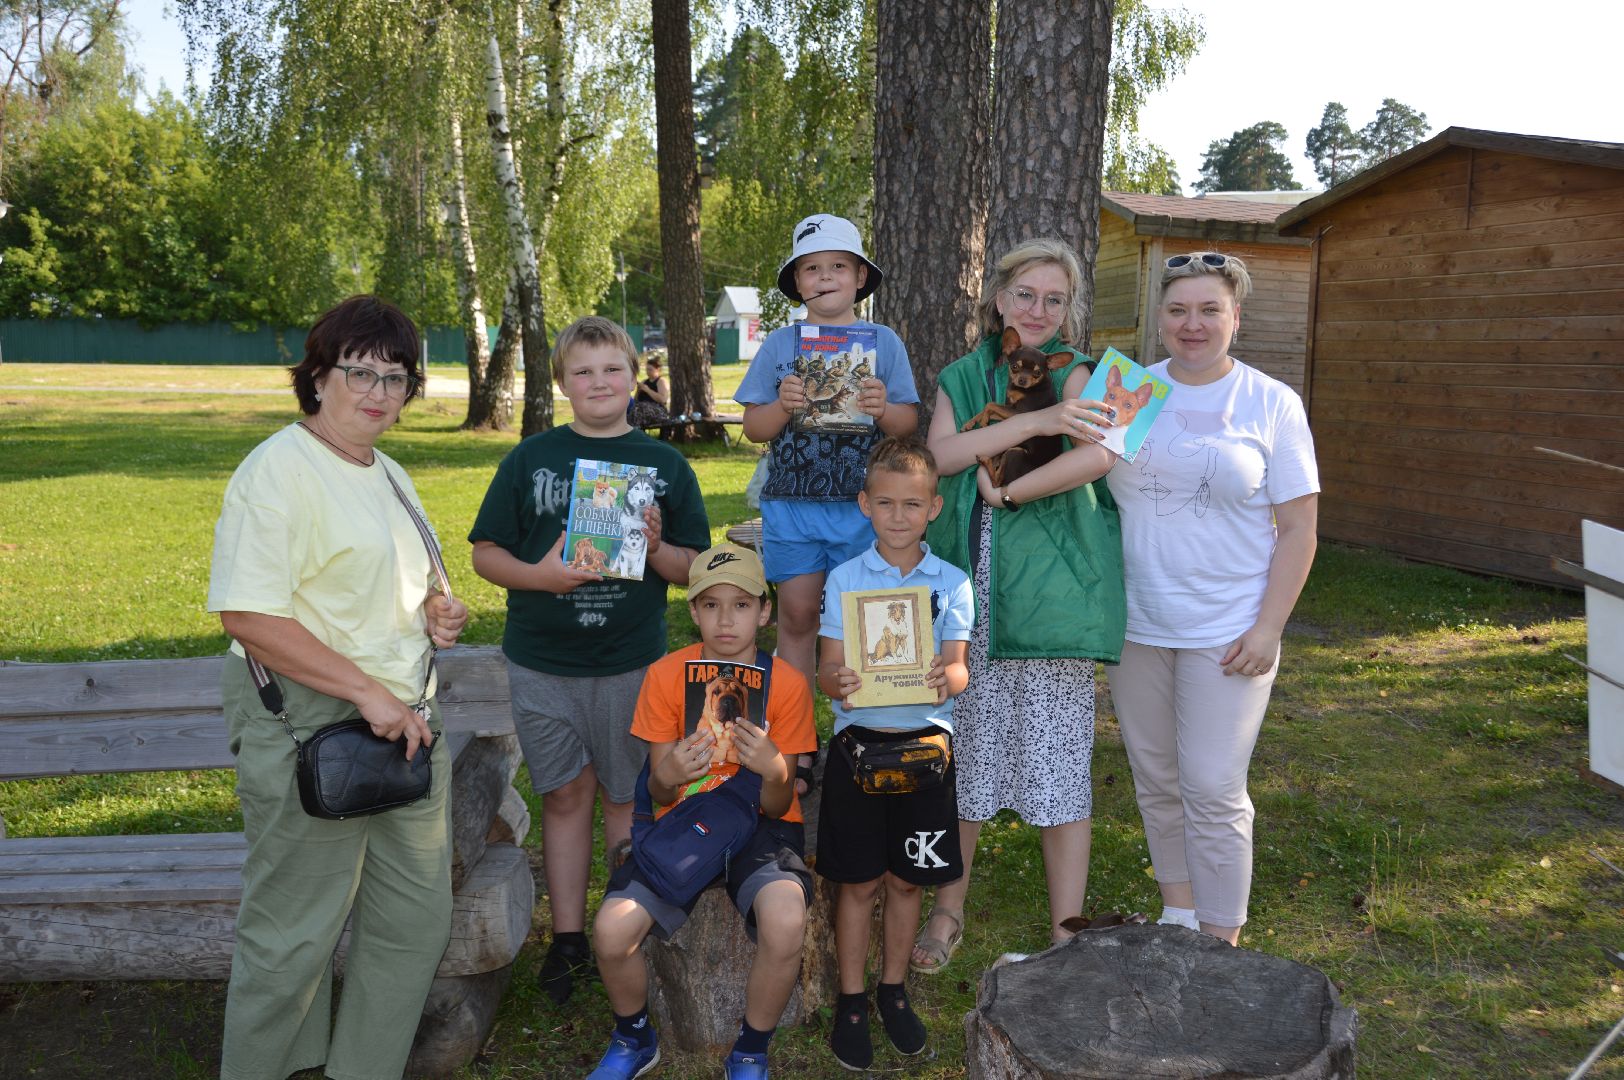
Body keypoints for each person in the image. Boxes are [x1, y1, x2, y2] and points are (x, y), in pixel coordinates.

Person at [208, 295, 471, 1080]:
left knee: (412, 928)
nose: (378, 393)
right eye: (360, 372)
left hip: (403, 721)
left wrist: (434, 609)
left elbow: (387, 585)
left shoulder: (387, 471)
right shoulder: (278, 472)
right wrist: (366, 692)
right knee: (293, 936)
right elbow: (250, 613)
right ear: (318, 376)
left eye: (397, 379)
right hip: (311, 718)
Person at [468, 316, 710, 1005]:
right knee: (565, 795)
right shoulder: (530, 458)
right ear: (562, 384)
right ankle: (568, 937)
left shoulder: (663, 464)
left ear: (634, 375)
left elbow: (692, 569)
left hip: (631, 660)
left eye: (612, 369)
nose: (599, 382)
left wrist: (659, 547)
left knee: (625, 797)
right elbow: (486, 552)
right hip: (543, 661)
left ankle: (621, 927)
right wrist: (542, 577)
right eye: (583, 371)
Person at [915, 238, 1124, 971]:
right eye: (1026, 295)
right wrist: (1031, 425)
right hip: (967, 581)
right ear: (999, 299)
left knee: (1059, 757)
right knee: (964, 751)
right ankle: (947, 911)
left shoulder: (1079, 372)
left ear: (1068, 311)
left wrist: (1007, 488)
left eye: (1054, 300)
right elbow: (937, 457)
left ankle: (1067, 929)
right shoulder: (964, 375)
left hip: (1051, 584)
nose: (1038, 311)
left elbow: (1098, 453)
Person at [1103, 251, 1319, 945]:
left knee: (1213, 787)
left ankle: (1222, 943)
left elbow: (1299, 530)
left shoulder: (1271, 402)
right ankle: (1179, 914)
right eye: (1177, 310)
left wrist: (1268, 629)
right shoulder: (1129, 388)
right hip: (1136, 622)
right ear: (1157, 318)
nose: (1192, 325)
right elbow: (1078, 476)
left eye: (1209, 310)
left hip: (1228, 628)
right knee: (1157, 778)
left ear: (1235, 318)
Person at [588, 542, 817, 1080]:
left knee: (785, 920)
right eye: (710, 605)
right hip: (683, 822)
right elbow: (661, 790)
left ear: (765, 611)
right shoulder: (668, 675)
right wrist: (674, 772)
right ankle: (635, 1037)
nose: (725, 620)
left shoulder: (785, 683)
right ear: (692, 611)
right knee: (611, 932)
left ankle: (750, 1050)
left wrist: (776, 769)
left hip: (761, 823)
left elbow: (781, 804)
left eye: (741, 605)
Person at [816, 437, 973, 1070]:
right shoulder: (845, 580)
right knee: (855, 882)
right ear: (865, 506)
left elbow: (959, 670)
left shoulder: (952, 583)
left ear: (935, 507)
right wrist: (841, 684)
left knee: (908, 881)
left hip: (925, 754)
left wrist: (946, 678)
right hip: (859, 748)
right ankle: (852, 999)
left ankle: (893, 989)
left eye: (913, 504)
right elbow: (828, 671)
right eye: (885, 503)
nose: (899, 516)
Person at [735, 213, 920, 705]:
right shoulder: (779, 345)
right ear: (796, 282)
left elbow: (908, 423)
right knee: (797, 618)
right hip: (792, 509)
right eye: (811, 268)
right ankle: (796, 738)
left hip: (864, 510)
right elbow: (755, 427)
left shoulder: (883, 343)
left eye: (838, 266)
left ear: (860, 278)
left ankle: (862, 728)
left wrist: (885, 408)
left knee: (862, 619)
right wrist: (782, 406)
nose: (825, 278)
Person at [627, 352, 670, 429]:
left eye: (650, 369)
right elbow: (636, 400)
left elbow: (663, 400)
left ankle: (636, 435)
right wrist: (639, 390)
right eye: (647, 369)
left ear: (658, 369)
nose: (648, 371)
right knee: (631, 409)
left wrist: (648, 390)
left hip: (657, 410)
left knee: (638, 411)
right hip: (641, 408)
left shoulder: (661, 381)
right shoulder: (644, 381)